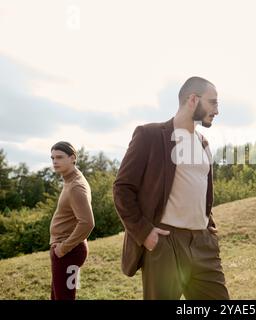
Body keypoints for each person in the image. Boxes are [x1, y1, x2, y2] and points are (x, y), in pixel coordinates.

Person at [113, 76, 229, 300]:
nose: (217, 110)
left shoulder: (204, 143)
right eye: (213, 102)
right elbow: (122, 188)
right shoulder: (150, 135)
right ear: (193, 100)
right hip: (166, 243)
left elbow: (203, 194)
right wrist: (144, 233)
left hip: (204, 244)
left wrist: (210, 231)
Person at [49, 141, 95, 300]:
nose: (55, 161)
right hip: (66, 250)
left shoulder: (76, 186)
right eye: (53, 158)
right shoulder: (70, 180)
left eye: (60, 157)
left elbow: (87, 222)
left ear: (73, 158)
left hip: (69, 252)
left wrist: (62, 249)